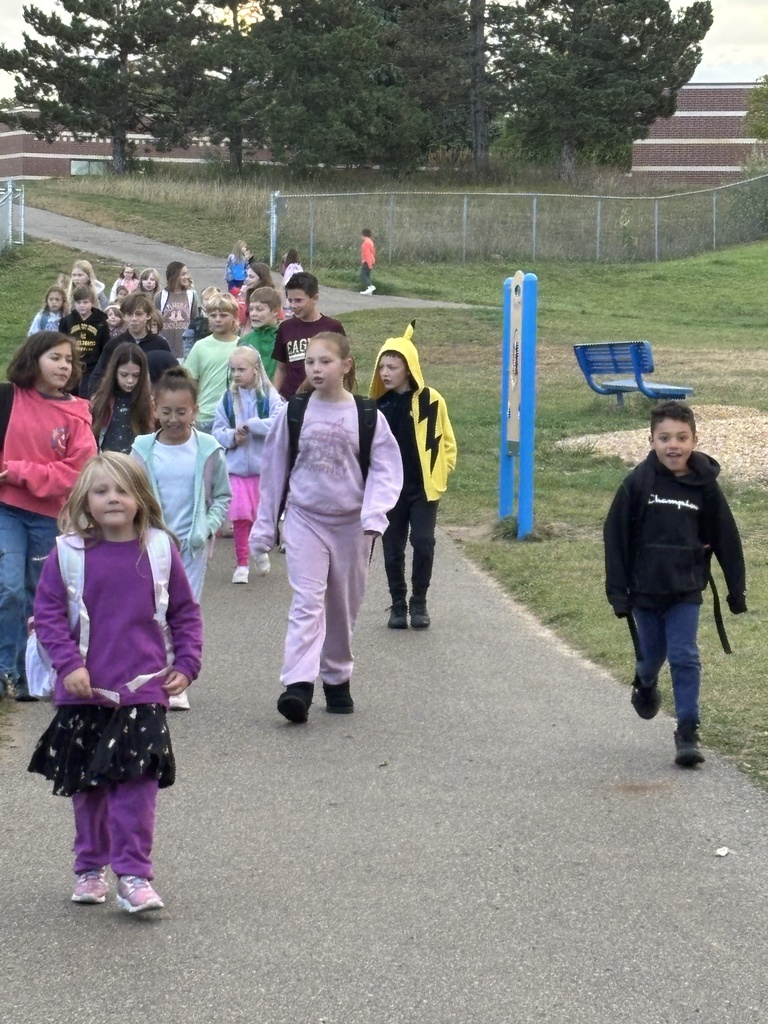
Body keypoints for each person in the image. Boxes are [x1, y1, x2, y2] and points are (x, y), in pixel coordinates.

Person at [28, 452, 203, 913]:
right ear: (85, 498)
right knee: (88, 789)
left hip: (144, 691)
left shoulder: (160, 550)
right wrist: (69, 665)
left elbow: (184, 613)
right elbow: (46, 616)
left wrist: (186, 663)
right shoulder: (67, 554)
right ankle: (90, 867)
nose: (112, 499)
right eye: (101, 491)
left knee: (137, 787)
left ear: (140, 498)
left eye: (122, 490)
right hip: (83, 694)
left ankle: (134, 875)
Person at [250, 332, 402, 723]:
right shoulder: (294, 412)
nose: (316, 369)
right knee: (307, 601)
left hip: (352, 526)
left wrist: (374, 515)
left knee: (341, 606)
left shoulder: (367, 416)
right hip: (305, 519)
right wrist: (265, 528)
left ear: (346, 366)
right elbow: (273, 470)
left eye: (325, 362)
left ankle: (336, 678)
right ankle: (297, 685)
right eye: (310, 362)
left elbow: (386, 471)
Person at [603, 400, 747, 767]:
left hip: (686, 588)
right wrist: (617, 591)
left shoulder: (706, 488)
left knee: (684, 655)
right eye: (665, 437)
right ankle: (646, 682)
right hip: (644, 590)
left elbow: (726, 537)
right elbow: (615, 537)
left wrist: (735, 589)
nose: (674, 445)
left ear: (695, 440)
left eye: (682, 438)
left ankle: (687, 730)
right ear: (650, 440)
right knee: (651, 658)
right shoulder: (638, 483)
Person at [0, 332, 97, 701]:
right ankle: (4, 668)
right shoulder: (8, 398)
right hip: (6, 510)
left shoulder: (76, 414)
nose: (63, 366)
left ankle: (31, 672)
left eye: (69, 360)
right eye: (55, 357)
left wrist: (22, 472)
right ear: (34, 359)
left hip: (49, 518)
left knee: (39, 595)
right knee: (8, 586)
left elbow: (77, 474)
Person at [132, 368, 230, 709]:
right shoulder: (142, 449)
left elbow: (221, 497)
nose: (174, 419)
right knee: (151, 611)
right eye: (167, 411)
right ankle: (151, 676)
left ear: (195, 410)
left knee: (181, 612)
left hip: (191, 547)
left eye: (182, 412)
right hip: (150, 545)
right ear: (155, 408)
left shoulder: (209, 449)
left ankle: (178, 679)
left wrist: (206, 528)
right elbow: (130, 493)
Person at [369, 322, 457, 630]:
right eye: (382, 366)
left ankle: (419, 601)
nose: (385, 373)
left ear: (409, 368)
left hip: (423, 489)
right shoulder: (377, 408)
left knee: (423, 542)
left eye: (393, 366)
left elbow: (447, 442)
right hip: (390, 491)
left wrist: (442, 471)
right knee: (392, 547)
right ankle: (397, 603)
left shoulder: (431, 401)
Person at [212, 347, 283, 583]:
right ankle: (241, 563)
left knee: (262, 518)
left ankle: (260, 549)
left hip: (265, 471)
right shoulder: (226, 400)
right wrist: (233, 436)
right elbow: (217, 431)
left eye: (241, 369)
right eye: (232, 369)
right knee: (241, 517)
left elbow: (280, 423)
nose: (236, 374)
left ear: (256, 369)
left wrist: (253, 425)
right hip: (237, 470)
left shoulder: (269, 397)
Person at [272, 272, 345, 399]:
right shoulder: (285, 328)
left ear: (314, 298)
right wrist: (273, 397)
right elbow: (281, 369)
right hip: (290, 399)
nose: (293, 306)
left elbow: (343, 368)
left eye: (299, 300)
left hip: (323, 398)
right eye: (290, 300)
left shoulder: (333, 327)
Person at [90, 292, 174, 391]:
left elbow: (171, 378)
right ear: (124, 316)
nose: (134, 319)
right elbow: (98, 376)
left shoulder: (160, 344)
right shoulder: (113, 345)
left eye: (139, 314)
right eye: (129, 314)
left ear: (148, 315)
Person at [184, 292, 241, 431]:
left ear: (234, 317)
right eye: (213, 315)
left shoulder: (241, 346)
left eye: (223, 315)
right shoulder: (200, 346)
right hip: (205, 416)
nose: (218, 320)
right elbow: (190, 381)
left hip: (234, 416)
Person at [90, 343, 154, 454]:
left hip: (136, 465)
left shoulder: (149, 403)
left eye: (136, 375)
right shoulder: (99, 401)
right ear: (114, 372)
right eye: (124, 374)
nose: (130, 381)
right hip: (108, 464)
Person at [59, 286, 110, 397]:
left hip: (92, 366)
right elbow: (61, 343)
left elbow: (105, 346)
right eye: (79, 302)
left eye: (85, 302)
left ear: (92, 302)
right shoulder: (67, 321)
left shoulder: (101, 321)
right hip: (72, 364)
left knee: (86, 394)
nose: (82, 306)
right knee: (69, 394)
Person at [155, 261, 202, 360]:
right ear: (174, 275)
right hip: (165, 348)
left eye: (187, 273)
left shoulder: (191, 295)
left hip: (185, 349)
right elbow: (155, 321)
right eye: (183, 274)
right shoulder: (161, 296)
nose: (187, 277)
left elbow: (195, 320)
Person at [239, 286, 280, 380]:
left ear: (275, 311)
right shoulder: (245, 340)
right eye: (251, 309)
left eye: (259, 309)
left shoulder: (284, 337)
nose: (253, 314)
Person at [279, 249, 303, 318]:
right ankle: (293, 308)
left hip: (289, 283)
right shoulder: (298, 266)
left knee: (288, 297)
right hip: (298, 283)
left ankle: (288, 309)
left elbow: (287, 275)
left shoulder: (289, 266)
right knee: (295, 296)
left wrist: (283, 284)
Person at [359, 228, 376, 295]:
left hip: (367, 261)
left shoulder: (365, 243)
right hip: (371, 260)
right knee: (367, 275)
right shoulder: (370, 242)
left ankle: (370, 286)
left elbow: (367, 254)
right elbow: (373, 252)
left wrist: (369, 263)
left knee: (362, 274)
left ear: (363, 235)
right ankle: (369, 290)